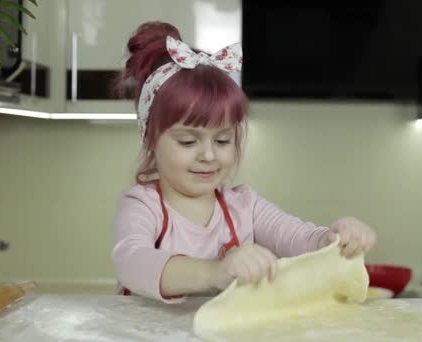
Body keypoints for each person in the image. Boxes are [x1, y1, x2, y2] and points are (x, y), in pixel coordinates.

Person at [111, 21, 376, 304]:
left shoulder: (245, 207)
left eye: (223, 141)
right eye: (188, 142)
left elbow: (299, 238)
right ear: (150, 139)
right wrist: (215, 272)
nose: (209, 155)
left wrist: (336, 239)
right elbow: (132, 262)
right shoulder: (143, 206)